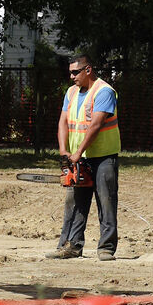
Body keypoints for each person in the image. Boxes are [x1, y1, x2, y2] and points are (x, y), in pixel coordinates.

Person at [45, 52, 120, 260]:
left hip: (103, 156)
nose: (72, 77)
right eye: (70, 73)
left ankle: (106, 248)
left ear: (88, 70)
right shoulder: (70, 93)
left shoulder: (104, 91)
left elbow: (96, 125)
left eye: (75, 72)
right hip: (79, 158)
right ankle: (71, 245)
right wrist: (64, 151)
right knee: (75, 202)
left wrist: (77, 153)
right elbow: (63, 122)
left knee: (106, 201)